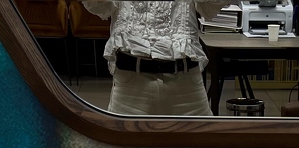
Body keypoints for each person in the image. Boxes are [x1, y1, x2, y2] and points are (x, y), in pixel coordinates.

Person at [82, 1, 228, 116]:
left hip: (186, 86)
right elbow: (100, 6)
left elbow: (210, 7)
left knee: (201, 144)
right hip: (131, 87)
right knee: (123, 145)